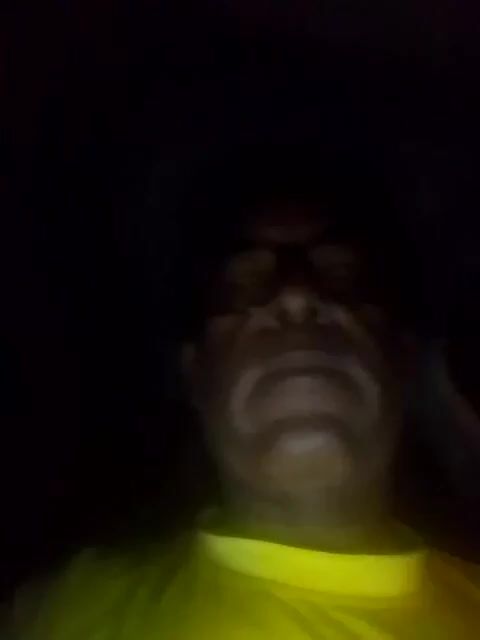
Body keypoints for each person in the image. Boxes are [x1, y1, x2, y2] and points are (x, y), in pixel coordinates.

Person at [5, 157, 480, 639]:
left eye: (343, 273)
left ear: (404, 358)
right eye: (241, 284)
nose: (296, 296)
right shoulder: (57, 611)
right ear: (195, 374)